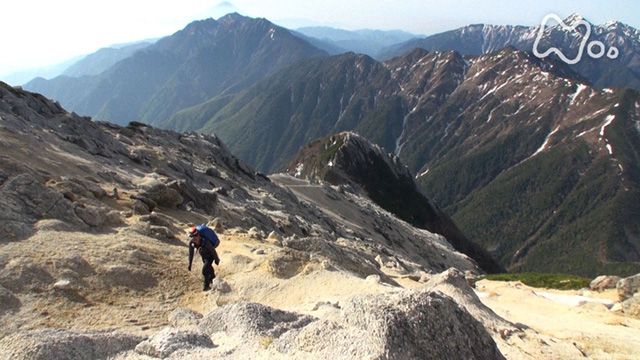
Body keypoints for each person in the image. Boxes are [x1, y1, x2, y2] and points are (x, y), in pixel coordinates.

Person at [187, 224, 221, 291]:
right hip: (204, 254)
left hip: (210, 255)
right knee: (208, 267)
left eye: (195, 237)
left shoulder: (205, 241)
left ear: (198, 235)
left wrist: (217, 259)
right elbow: (191, 253)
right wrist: (190, 264)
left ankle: (206, 286)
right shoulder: (192, 243)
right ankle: (213, 278)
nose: (193, 239)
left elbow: (213, 251)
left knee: (205, 270)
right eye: (192, 238)